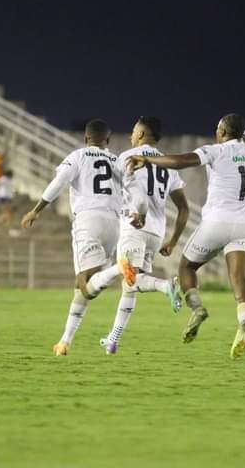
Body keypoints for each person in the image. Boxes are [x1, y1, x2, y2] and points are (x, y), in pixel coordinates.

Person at [127, 114, 245, 359]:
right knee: (239, 279)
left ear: (222, 131)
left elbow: (182, 161)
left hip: (217, 223)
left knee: (187, 267)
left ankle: (197, 308)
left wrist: (148, 159)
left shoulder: (216, 151)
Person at [21, 119, 123, 356]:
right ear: (107, 141)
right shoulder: (116, 161)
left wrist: (36, 210)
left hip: (88, 220)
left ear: (86, 139)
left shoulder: (77, 156)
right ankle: (64, 342)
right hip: (114, 224)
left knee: (83, 284)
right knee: (87, 288)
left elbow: (59, 182)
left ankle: (120, 269)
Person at [99, 116, 190, 355]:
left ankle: (165, 287)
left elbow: (111, 193)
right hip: (157, 233)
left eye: (133, 131)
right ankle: (113, 340)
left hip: (134, 227)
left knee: (128, 277)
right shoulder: (167, 164)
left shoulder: (128, 157)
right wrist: (173, 241)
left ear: (140, 134)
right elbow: (184, 208)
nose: (131, 135)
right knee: (130, 285)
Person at [0, 169, 20, 236]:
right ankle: (10, 229)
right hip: (3, 198)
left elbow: (11, 189)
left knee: (8, 213)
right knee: (9, 213)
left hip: (8, 198)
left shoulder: (10, 180)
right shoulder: (3, 179)